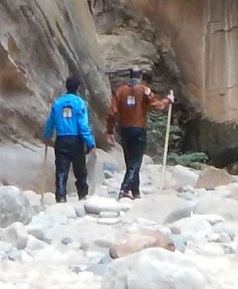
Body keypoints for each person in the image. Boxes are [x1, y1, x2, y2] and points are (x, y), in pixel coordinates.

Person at [109, 68, 173, 198]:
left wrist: (110, 130)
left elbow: (112, 112)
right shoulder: (144, 91)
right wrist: (168, 100)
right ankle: (124, 188)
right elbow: (158, 106)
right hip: (138, 130)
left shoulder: (120, 91)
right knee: (136, 161)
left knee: (130, 161)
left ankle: (135, 191)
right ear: (140, 77)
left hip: (125, 130)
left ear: (130, 76)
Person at [45, 72, 97, 203]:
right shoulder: (80, 103)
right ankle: (82, 195)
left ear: (66, 87)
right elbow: (83, 125)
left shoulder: (57, 104)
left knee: (61, 170)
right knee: (80, 170)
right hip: (76, 140)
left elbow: (50, 122)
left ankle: (61, 197)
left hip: (61, 140)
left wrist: (46, 136)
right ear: (77, 87)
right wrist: (90, 142)